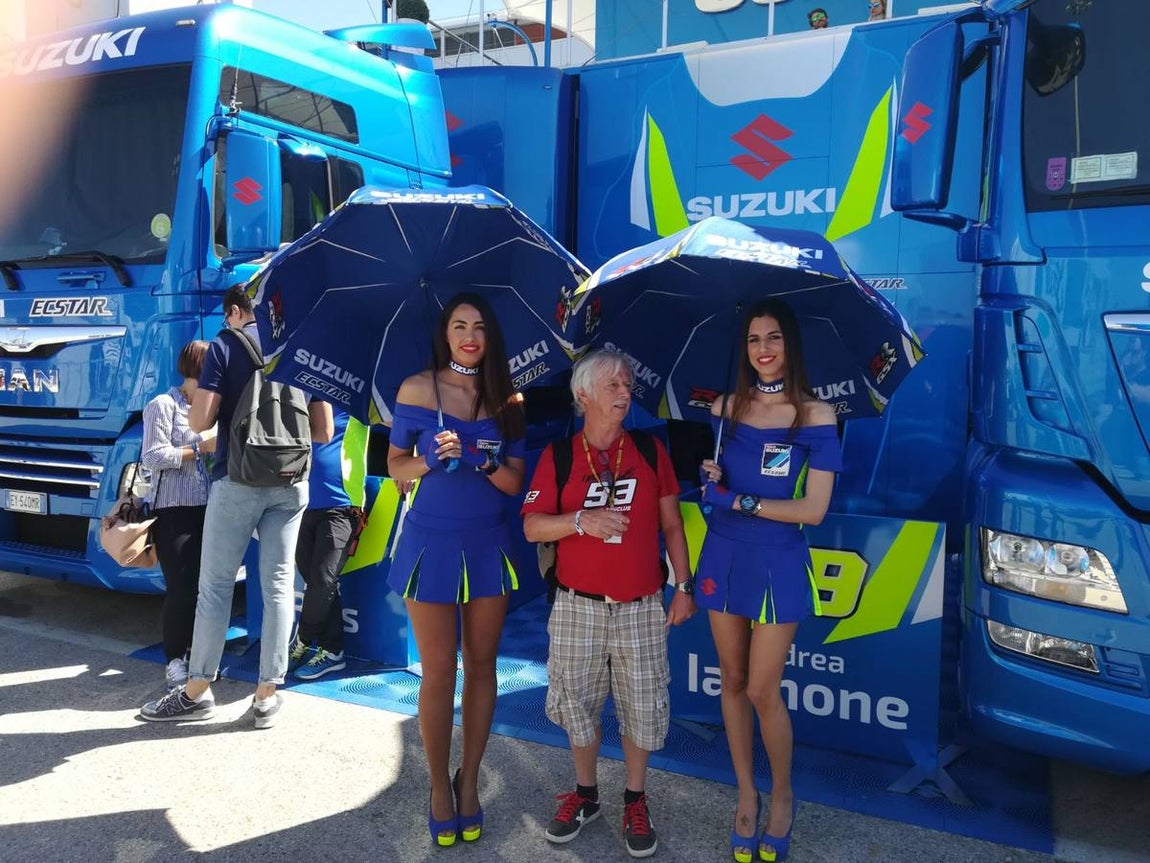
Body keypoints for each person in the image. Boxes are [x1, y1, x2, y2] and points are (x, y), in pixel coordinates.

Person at [522, 350, 696, 860]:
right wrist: (581, 521)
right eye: (614, 385)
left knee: (643, 706)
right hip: (578, 605)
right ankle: (586, 793)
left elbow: (672, 525)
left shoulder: (648, 449)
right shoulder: (557, 456)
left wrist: (683, 586)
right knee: (575, 702)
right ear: (584, 397)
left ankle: (635, 799)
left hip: (642, 604)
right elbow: (534, 525)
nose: (625, 392)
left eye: (628, 383)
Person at [140, 284, 332, 728]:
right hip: (292, 481)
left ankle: (197, 691)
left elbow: (201, 421)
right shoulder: (304, 345)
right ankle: (267, 695)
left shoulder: (224, 347)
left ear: (236, 312)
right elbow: (321, 431)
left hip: (238, 479)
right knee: (279, 584)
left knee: (216, 587)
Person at [696, 298, 842, 863]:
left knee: (762, 689)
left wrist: (741, 499)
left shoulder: (817, 414)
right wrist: (712, 477)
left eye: (773, 338)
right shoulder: (727, 407)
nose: (763, 349)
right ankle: (747, 795)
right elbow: (719, 480)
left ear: (790, 345)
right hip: (724, 554)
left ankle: (783, 796)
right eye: (754, 339)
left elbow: (813, 510)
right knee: (731, 681)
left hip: (779, 558)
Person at [386, 292, 527, 848]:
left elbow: (515, 482)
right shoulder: (416, 389)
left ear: (491, 337)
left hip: (489, 543)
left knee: (484, 664)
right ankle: (438, 790)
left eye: (479, 327)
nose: (469, 336)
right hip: (430, 543)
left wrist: (484, 460)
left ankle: (468, 781)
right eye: (459, 325)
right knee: (439, 670)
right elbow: (394, 466)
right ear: (445, 334)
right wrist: (429, 460)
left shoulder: (508, 397)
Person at [140, 339, 214, 691]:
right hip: (173, 510)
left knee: (204, 588)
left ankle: (197, 659)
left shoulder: (211, 407)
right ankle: (174, 660)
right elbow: (152, 457)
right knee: (181, 588)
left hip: (208, 507)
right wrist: (199, 447)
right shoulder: (163, 405)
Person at [288, 406, 369, 680]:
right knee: (317, 582)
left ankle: (302, 640)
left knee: (323, 579)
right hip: (301, 502)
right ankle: (332, 652)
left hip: (342, 506)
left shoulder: (357, 402)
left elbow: (402, 423)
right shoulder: (304, 399)